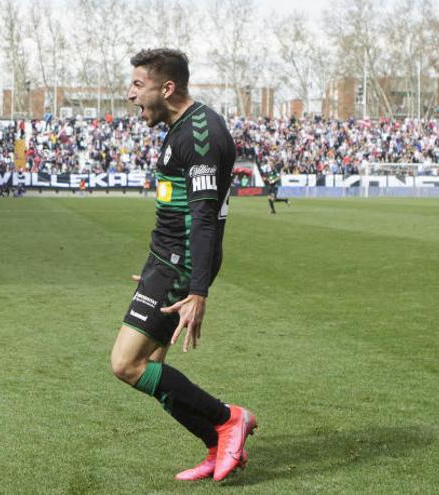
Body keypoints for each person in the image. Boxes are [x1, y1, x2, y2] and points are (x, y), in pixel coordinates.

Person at [112, 48, 256, 482]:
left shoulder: (203, 134)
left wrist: (196, 291)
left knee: (126, 364)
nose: (130, 94)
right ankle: (216, 443)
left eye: (138, 85)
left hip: (181, 264)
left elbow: (205, 221)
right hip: (165, 263)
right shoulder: (179, 127)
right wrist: (156, 271)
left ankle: (229, 418)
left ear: (167, 87)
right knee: (153, 365)